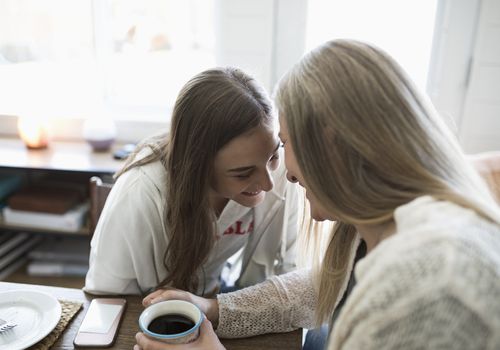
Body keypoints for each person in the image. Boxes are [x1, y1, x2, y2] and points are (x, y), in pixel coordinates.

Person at [134, 39, 500, 350]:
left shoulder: (428, 287)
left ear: (333, 151)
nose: (287, 175)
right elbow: (321, 286)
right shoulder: (385, 224)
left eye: (286, 145)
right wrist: (213, 308)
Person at [84, 67, 300, 297]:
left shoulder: (279, 170)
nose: (268, 184)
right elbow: (106, 301)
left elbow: (292, 268)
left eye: (273, 157)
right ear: (198, 166)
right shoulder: (138, 195)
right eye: (243, 173)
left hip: (219, 297)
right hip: (147, 310)